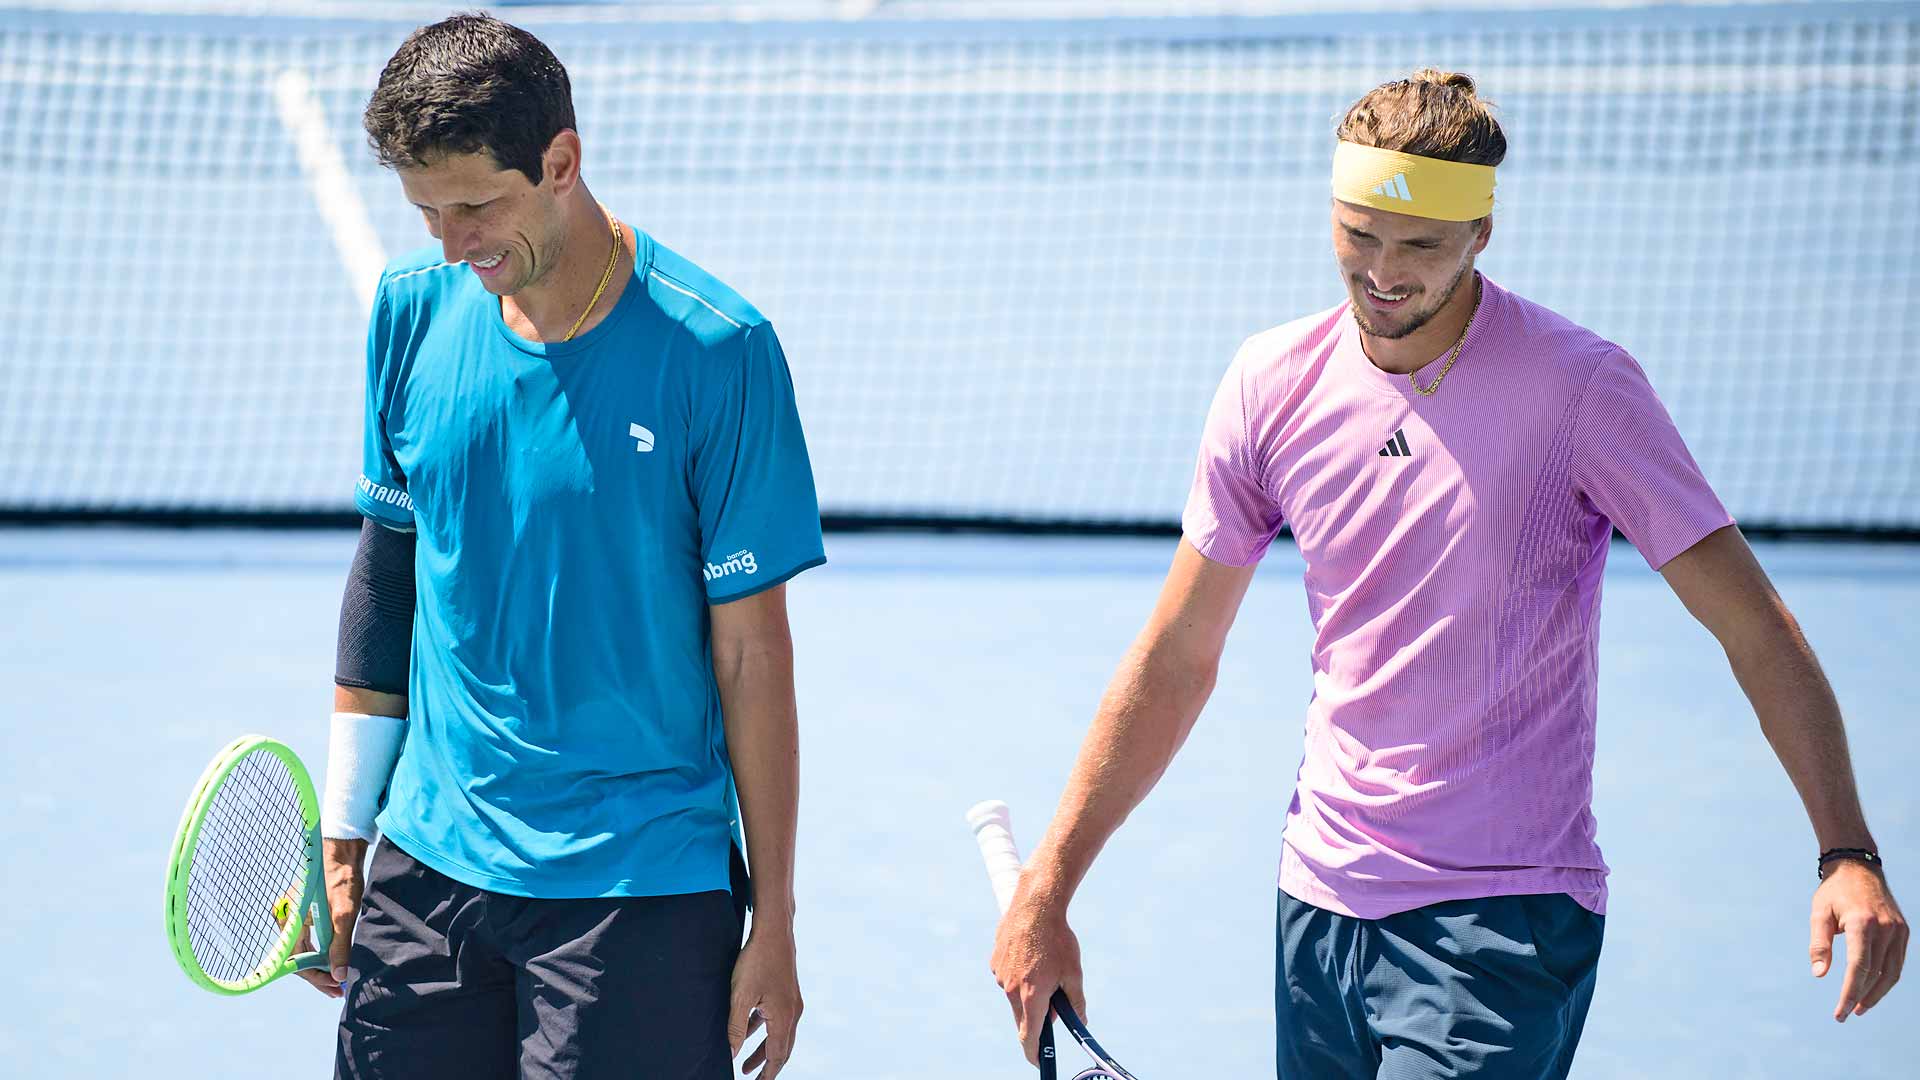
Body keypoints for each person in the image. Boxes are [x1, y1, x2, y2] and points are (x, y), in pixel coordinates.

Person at [989, 69, 1906, 1078]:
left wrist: (1846, 850)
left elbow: (1752, 625)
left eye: (1420, 246)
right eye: (1357, 234)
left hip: (1502, 923)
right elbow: (1175, 657)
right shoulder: (1268, 385)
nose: (1383, 272)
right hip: (1319, 908)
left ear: (1481, 236)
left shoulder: (1581, 391)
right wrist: (1048, 890)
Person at [303, 15, 823, 1080]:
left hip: (637, 889)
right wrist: (347, 836)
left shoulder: (719, 352)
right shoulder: (411, 313)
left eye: (477, 206)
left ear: (561, 162)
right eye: (427, 212)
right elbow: (387, 579)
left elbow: (751, 657)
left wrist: (773, 921)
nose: (453, 244)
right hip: (430, 866)